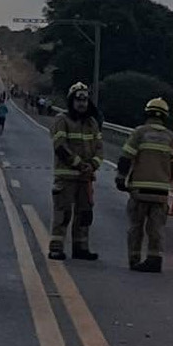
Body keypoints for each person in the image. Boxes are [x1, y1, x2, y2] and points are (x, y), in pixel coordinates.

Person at [117, 98, 173, 273]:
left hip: (139, 191)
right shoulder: (171, 138)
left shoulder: (139, 133)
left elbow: (126, 158)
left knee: (136, 227)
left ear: (147, 113)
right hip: (160, 193)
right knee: (156, 228)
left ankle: (134, 259)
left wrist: (121, 178)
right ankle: (154, 259)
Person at [48, 82, 102, 261]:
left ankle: (81, 248)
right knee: (62, 214)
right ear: (71, 101)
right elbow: (60, 147)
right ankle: (56, 248)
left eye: (85, 100)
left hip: (85, 179)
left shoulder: (92, 123)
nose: (82, 104)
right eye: (78, 100)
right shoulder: (61, 120)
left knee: (84, 215)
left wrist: (92, 165)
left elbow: (99, 149)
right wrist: (79, 164)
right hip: (66, 177)